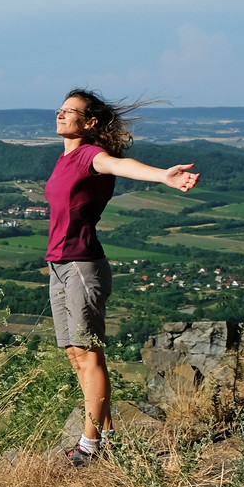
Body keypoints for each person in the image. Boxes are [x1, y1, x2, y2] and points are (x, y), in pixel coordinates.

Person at [45, 88, 200, 465]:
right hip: (59, 265)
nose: (61, 115)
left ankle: (89, 446)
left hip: (82, 265)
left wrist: (163, 176)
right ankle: (105, 434)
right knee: (74, 354)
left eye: (71, 111)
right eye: (61, 109)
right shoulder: (64, 159)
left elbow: (120, 166)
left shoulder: (89, 156)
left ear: (90, 122)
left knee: (89, 354)